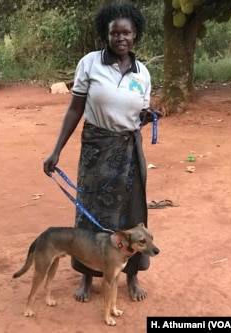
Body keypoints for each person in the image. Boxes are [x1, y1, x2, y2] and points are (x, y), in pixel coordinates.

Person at [43, 3, 155, 303]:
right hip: (96, 149)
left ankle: (131, 276)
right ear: (106, 34)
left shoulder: (142, 72)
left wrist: (147, 116)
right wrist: (56, 151)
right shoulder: (90, 63)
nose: (121, 38)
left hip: (130, 150)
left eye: (127, 33)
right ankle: (86, 275)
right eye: (114, 33)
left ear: (135, 35)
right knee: (91, 215)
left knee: (132, 214)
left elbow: (141, 110)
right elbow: (75, 109)